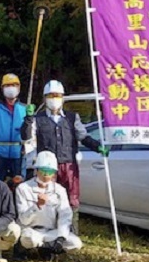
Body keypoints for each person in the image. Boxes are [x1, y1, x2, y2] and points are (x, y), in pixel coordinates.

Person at [21, 79, 107, 233]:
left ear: (63, 97)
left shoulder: (72, 117)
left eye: (57, 95)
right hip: (46, 168)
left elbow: (83, 136)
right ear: (45, 97)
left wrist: (97, 147)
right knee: (47, 198)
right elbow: (26, 136)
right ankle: (47, 230)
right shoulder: (37, 118)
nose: (54, 98)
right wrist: (27, 119)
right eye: (50, 95)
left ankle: (71, 231)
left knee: (71, 199)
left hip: (69, 165)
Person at [15, 151, 82, 260]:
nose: (46, 175)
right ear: (36, 171)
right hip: (31, 230)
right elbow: (23, 220)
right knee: (29, 239)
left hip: (51, 232)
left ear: (54, 174)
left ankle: (46, 248)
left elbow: (65, 216)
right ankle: (36, 248)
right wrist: (37, 206)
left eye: (49, 171)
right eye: (43, 171)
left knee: (75, 243)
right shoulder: (23, 188)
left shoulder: (60, 190)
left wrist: (61, 238)